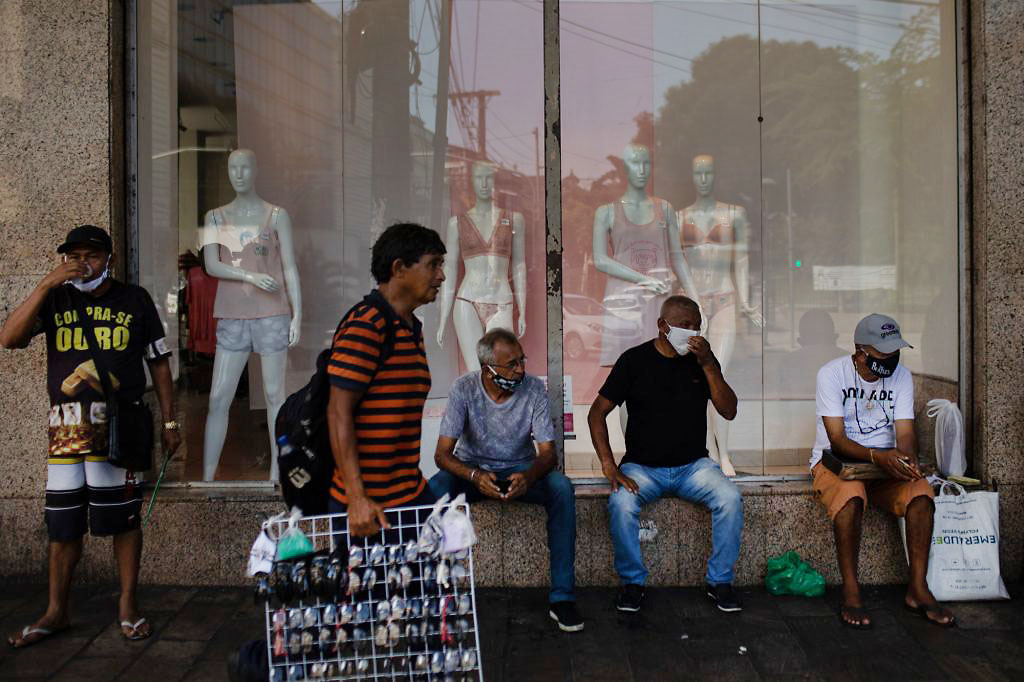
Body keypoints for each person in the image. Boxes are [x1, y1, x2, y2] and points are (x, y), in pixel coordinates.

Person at [0, 225, 180, 647]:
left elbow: (158, 363)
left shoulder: (134, 300)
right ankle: (56, 611)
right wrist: (45, 284)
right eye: (75, 256)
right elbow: (9, 338)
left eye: (93, 256)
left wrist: (170, 422)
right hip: (65, 433)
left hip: (116, 431)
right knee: (62, 525)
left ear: (110, 259)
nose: (83, 264)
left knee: (123, 520)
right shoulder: (55, 298)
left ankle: (128, 606)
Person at [588, 295, 743, 613]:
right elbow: (596, 413)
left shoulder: (702, 361)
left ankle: (720, 581)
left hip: (693, 467)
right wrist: (608, 465)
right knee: (620, 503)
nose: (693, 332)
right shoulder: (634, 361)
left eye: (697, 326)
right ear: (663, 325)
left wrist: (708, 364)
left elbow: (728, 410)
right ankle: (632, 583)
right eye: (685, 325)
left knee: (730, 498)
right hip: (642, 468)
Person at [428, 328, 582, 632]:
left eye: (522, 360)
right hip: (473, 472)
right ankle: (434, 593)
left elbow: (548, 454)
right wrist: (474, 476)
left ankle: (562, 597)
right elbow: (442, 455)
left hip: (519, 471)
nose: (521, 369)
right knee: (434, 489)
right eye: (512, 364)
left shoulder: (533, 388)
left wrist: (528, 476)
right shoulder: (464, 389)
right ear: (488, 370)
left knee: (561, 488)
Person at [811, 313, 955, 629]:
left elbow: (904, 431)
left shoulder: (901, 376)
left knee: (921, 494)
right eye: (883, 353)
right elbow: (837, 439)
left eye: (894, 352)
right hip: (840, 463)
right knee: (850, 497)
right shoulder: (832, 374)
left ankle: (918, 588)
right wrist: (878, 456)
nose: (890, 359)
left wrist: (907, 459)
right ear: (861, 353)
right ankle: (852, 592)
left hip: (886, 465)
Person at [326, 222, 446, 536]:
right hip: (368, 510)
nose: (441, 276)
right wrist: (357, 498)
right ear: (399, 268)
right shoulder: (367, 324)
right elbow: (338, 412)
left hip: (409, 496)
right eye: (433, 265)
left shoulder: (411, 327)